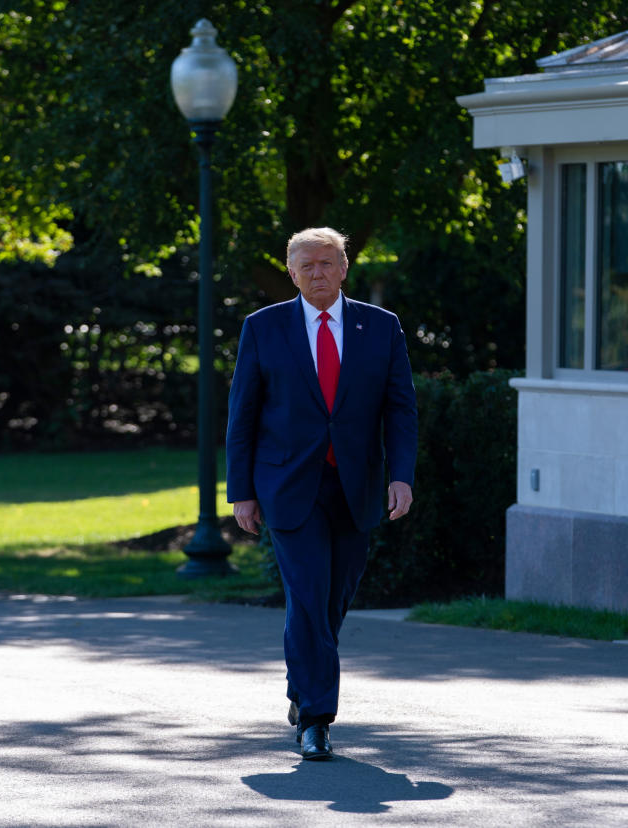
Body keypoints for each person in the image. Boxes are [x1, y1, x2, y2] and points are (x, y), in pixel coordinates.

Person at [226, 227, 418, 761]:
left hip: (356, 485)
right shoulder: (263, 328)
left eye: (327, 263)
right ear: (291, 272)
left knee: (333, 600)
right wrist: (241, 491)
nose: (317, 273)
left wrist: (400, 475)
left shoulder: (380, 327)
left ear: (344, 267)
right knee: (309, 596)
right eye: (306, 265)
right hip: (288, 486)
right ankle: (316, 718)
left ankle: (302, 683)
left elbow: (400, 408)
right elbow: (242, 415)